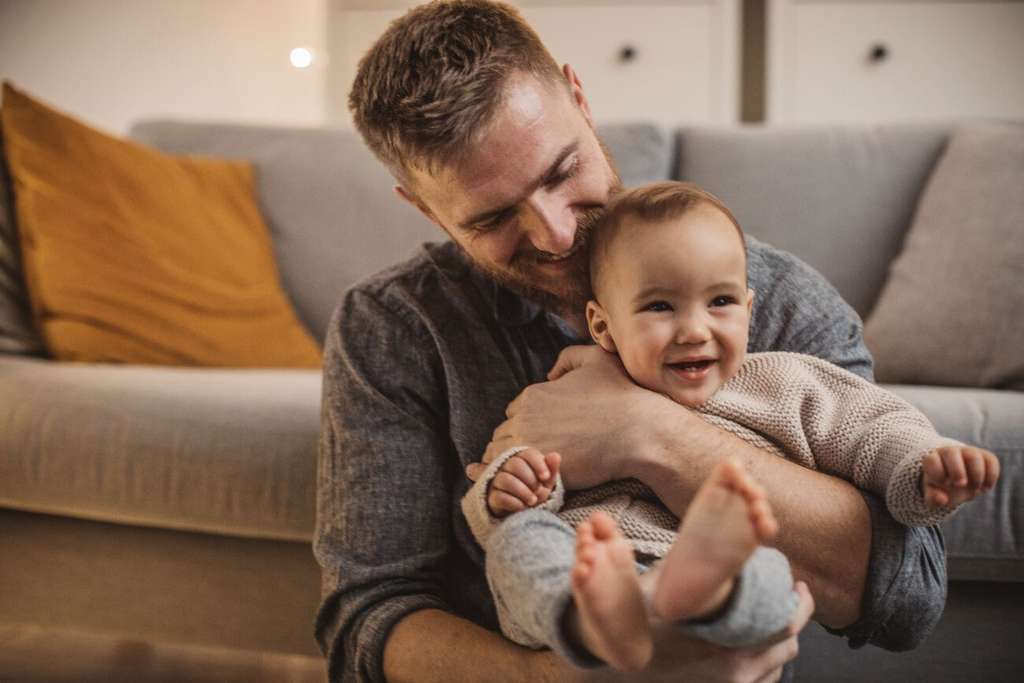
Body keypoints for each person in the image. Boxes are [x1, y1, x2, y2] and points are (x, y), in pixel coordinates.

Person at [315, 2, 947, 682]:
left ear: (580, 99)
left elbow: (908, 594)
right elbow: (368, 619)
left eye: (562, 171)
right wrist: (559, 678)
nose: (556, 234)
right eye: (495, 216)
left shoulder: (778, 298)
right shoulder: (392, 326)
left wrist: (643, 431)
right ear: (422, 205)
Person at [462, 181, 999, 672]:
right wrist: (512, 488)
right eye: (659, 307)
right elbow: (520, 479)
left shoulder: (784, 383)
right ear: (603, 325)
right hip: (598, 572)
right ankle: (597, 623)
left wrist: (922, 465)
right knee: (519, 544)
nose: (695, 330)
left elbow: (872, 428)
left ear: (748, 309)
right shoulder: (567, 398)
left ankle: (705, 591)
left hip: (722, 584)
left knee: (765, 563)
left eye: (719, 302)